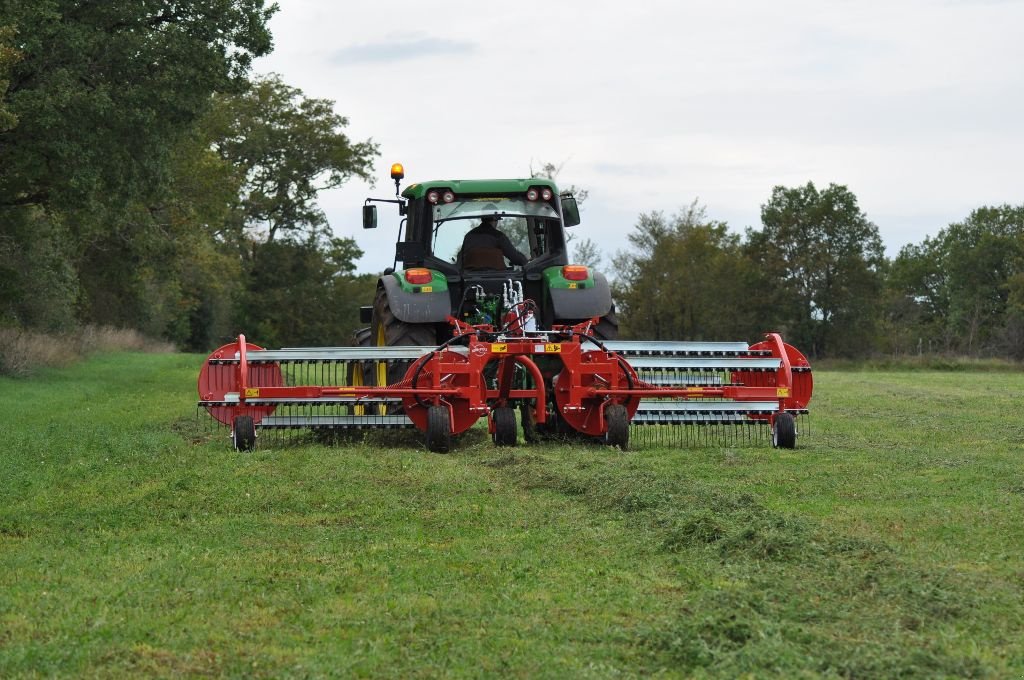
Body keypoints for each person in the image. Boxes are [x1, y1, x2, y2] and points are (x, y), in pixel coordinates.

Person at [458, 216, 529, 270]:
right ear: (495, 220)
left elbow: (460, 259)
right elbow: (514, 257)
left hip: (469, 279)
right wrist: (525, 261)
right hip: (499, 279)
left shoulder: (469, 236)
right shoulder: (498, 236)